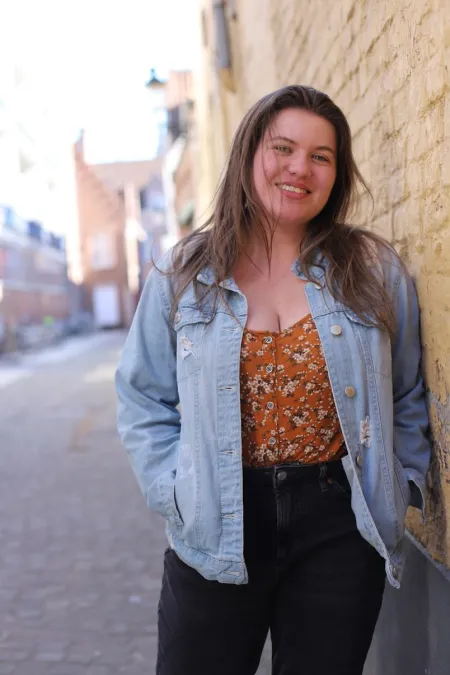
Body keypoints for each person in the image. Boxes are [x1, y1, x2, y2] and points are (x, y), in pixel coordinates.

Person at [115, 85, 431, 675]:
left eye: (321, 156)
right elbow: (143, 396)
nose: (299, 169)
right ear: (248, 154)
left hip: (340, 527)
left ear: (337, 173)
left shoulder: (371, 269)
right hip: (215, 520)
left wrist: (402, 485)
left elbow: (408, 393)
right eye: (283, 148)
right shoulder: (183, 275)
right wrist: (176, 493)